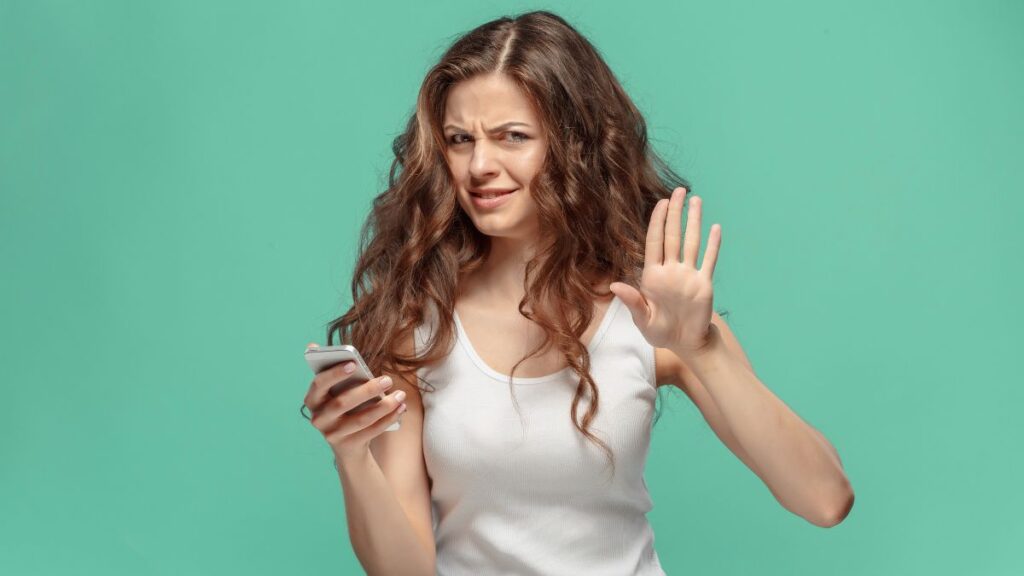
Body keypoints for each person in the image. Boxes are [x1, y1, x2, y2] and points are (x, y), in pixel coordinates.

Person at [301, 10, 854, 575]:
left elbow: (825, 499)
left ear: (575, 145)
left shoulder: (644, 312)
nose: (479, 165)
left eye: (512, 137)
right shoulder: (419, 322)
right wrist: (352, 455)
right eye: (460, 140)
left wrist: (703, 349)